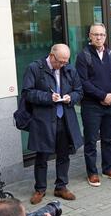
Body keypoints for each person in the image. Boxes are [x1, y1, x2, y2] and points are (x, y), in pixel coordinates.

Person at [22, 44, 83, 205]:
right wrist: (48, 98)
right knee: (42, 155)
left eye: (65, 62)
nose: (63, 65)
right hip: (43, 119)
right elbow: (27, 93)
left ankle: (61, 186)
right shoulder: (35, 68)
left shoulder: (68, 69)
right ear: (51, 56)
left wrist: (71, 97)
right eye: (60, 62)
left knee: (63, 154)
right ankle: (40, 189)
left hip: (64, 118)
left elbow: (79, 90)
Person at [76, 23, 111, 187]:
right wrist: (102, 96)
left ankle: (108, 168)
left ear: (105, 36)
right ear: (89, 36)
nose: (99, 37)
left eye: (102, 35)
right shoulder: (83, 56)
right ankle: (92, 173)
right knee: (90, 141)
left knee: (108, 139)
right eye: (95, 34)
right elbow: (83, 82)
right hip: (91, 106)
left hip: (110, 105)